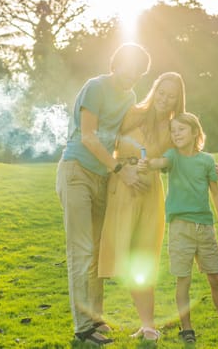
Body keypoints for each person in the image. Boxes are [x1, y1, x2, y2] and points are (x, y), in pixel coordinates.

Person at [55, 43, 151, 345]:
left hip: (101, 176)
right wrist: (119, 169)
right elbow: (88, 137)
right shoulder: (95, 87)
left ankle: (95, 318)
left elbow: (128, 132)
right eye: (131, 67)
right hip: (77, 172)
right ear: (117, 62)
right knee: (81, 250)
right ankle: (83, 328)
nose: (134, 75)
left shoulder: (130, 96)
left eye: (139, 73)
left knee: (96, 252)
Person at [139, 112, 218, 344]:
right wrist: (147, 162)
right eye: (173, 130)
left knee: (216, 278)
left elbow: (216, 194)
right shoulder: (173, 157)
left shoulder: (207, 161)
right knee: (183, 280)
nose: (176, 133)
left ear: (195, 132)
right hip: (180, 228)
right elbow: (161, 163)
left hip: (205, 228)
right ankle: (186, 328)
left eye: (181, 129)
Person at [98, 72, 186, 341]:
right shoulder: (132, 113)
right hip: (123, 187)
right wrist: (124, 170)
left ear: (177, 100)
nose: (164, 99)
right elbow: (105, 143)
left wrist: (206, 166)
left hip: (150, 194)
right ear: (154, 89)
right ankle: (94, 320)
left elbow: (183, 156)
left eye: (171, 96)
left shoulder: (174, 126)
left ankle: (148, 325)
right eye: (161, 92)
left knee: (143, 256)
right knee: (115, 253)